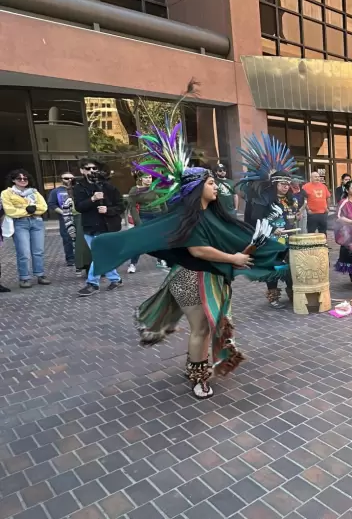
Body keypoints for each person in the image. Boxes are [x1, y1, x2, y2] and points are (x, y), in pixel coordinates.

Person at [89, 122, 287, 399]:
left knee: (209, 327)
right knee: (202, 328)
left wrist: (265, 248)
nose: (216, 187)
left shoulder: (214, 215)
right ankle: (198, 376)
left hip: (214, 279)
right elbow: (198, 251)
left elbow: (231, 238)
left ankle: (198, 368)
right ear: (196, 189)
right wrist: (233, 258)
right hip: (190, 279)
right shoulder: (187, 217)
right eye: (210, 183)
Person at [236, 134, 300, 309]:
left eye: (288, 184)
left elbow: (291, 217)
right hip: (271, 240)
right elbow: (257, 219)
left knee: (290, 266)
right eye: (282, 184)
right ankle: (273, 296)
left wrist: (295, 218)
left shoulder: (289, 200)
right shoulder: (263, 200)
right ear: (274, 184)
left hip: (288, 240)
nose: (286, 186)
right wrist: (272, 230)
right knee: (273, 268)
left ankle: (292, 291)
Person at [74, 159, 124, 296]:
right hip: (89, 227)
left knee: (98, 255)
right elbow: (79, 207)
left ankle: (92, 284)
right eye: (88, 168)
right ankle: (116, 279)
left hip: (106, 227)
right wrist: (92, 199)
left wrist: (108, 210)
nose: (91, 171)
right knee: (101, 256)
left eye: (94, 169)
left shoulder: (108, 187)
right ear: (82, 171)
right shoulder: (79, 187)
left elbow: (121, 205)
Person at [1, 170, 49, 288]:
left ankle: (40, 274)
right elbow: (10, 210)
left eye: (25, 179)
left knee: (38, 251)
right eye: (19, 179)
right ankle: (24, 277)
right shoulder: (6, 193)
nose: (22, 181)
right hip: (19, 223)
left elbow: (43, 207)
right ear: (13, 180)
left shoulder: (34, 192)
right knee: (24, 252)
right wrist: (28, 209)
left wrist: (31, 209)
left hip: (37, 222)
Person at [126, 171, 169, 273]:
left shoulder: (156, 188)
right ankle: (133, 264)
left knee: (159, 239)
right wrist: (138, 222)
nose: (149, 179)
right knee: (139, 241)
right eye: (146, 177)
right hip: (144, 216)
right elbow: (132, 207)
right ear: (140, 179)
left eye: (150, 177)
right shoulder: (135, 190)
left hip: (157, 216)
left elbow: (163, 203)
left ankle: (160, 259)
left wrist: (166, 216)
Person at [46, 172, 76, 267]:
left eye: (71, 178)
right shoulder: (56, 191)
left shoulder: (77, 190)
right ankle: (70, 259)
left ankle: (81, 257)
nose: (69, 180)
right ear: (61, 179)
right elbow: (51, 204)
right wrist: (64, 212)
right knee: (67, 238)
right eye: (66, 178)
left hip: (78, 217)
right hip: (65, 218)